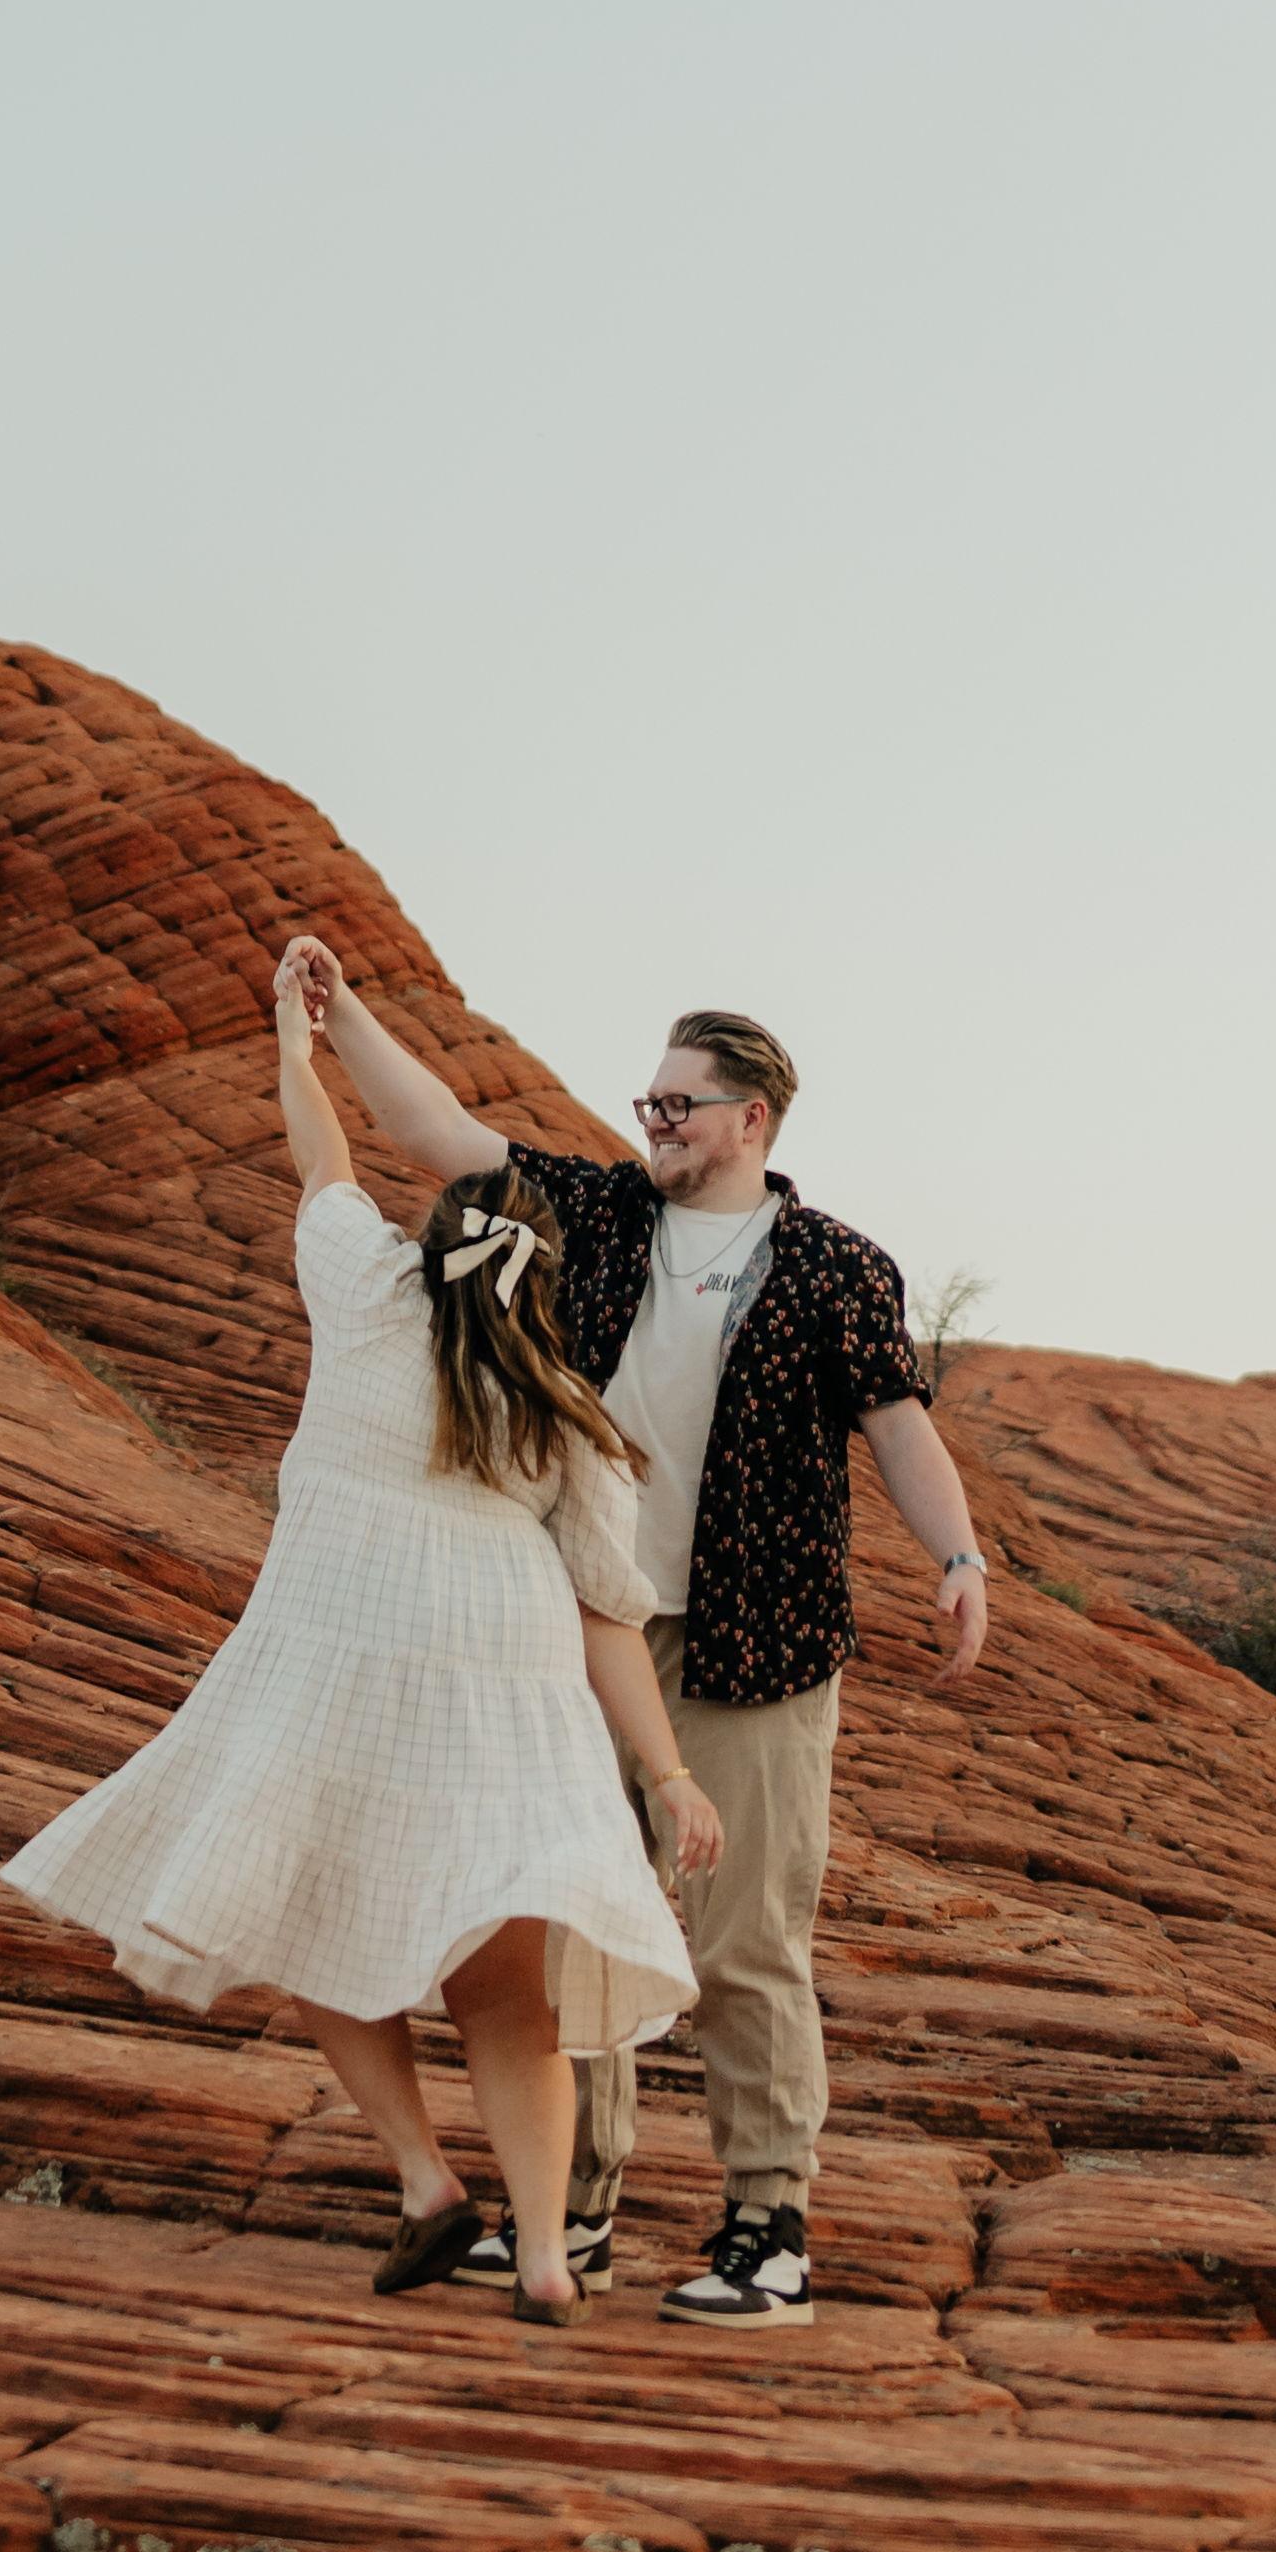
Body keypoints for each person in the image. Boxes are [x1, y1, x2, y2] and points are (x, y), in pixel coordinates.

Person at [273, 942, 992, 2331]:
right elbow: (438, 1132)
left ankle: (766, 2228)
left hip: (758, 1643)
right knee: (577, 1923)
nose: (652, 1121)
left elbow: (897, 1423)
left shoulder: (834, 1265)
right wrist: (339, 1010)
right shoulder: (602, 1212)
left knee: (745, 1941)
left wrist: (956, 1555)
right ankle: (577, 2212)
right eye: (648, 1100)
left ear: (751, 1119)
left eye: (678, 1104)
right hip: (580, 1628)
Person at [0, 951, 721, 2325]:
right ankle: (545, 2258)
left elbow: (321, 1156)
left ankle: (426, 2181)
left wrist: (298, 1039)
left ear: (434, 1239)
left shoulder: (368, 1295)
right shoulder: (564, 1407)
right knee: (507, 1996)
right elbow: (605, 1612)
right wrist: (668, 1773)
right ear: (544, 1281)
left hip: (341, 1660)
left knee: (307, 1913)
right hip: (504, 1694)